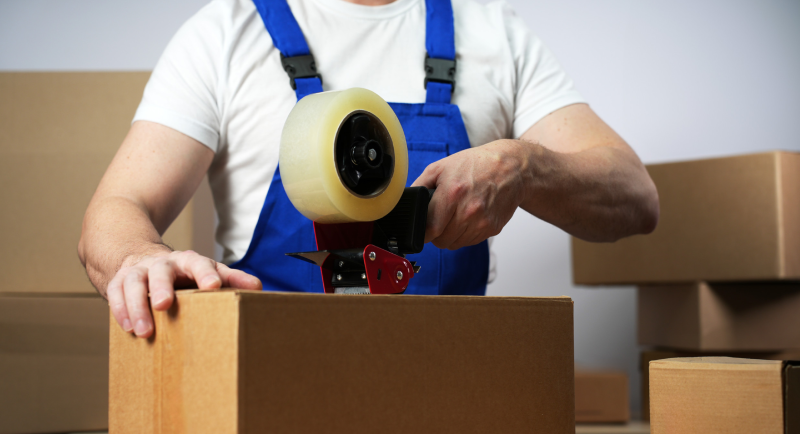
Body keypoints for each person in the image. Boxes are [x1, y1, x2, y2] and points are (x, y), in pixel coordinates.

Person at [79, 0, 659, 339]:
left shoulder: (493, 31)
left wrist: (525, 165)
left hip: (459, 408)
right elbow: (116, 209)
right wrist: (140, 258)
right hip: (271, 407)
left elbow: (635, 197)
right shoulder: (225, 32)